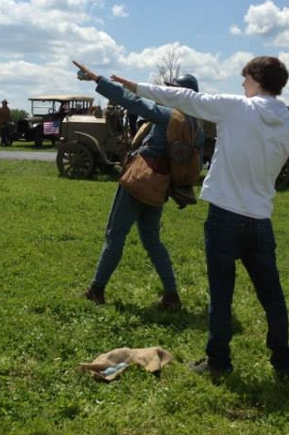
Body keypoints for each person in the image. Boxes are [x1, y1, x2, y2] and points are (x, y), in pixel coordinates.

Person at [114, 56, 289, 380]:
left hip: (225, 217)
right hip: (260, 222)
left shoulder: (235, 107)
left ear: (256, 78)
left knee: (222, 294)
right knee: (272, 297)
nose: (242, 83)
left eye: (245, 77)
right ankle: (283, 362)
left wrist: (137, 87)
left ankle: (219, 362)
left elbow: (186, 99)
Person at [74, 60, 204, 311]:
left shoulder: (169, 116)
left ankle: (96, 290)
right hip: (160, 188)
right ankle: (171, 295)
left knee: (115, 235)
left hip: (138, 182)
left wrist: (98, 80)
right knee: (152, 241)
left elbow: (131, 102)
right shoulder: (196, 126)